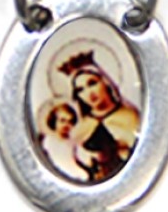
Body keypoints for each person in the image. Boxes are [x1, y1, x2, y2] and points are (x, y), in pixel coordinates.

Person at [58, 51, 141, 183]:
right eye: (80, 90)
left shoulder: (130, 116)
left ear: (105, 82)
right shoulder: (81, 126)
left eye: (92, 83)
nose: (89, 93)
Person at [36, 99, 89, 182]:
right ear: (54, 121)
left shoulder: (74, 143)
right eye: (62, 120)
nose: (66, 125)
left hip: (73, 173)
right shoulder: (47, 141)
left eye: (70, 122)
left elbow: (85, 160)